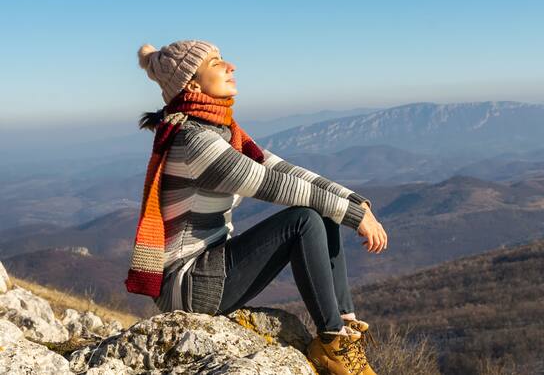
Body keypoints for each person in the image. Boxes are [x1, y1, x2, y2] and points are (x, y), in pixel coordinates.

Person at [125, 39, 387, 375]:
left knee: (323, 209)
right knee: (304, 220)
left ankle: (344, 331)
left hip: (208, 268)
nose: (230, 66)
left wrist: (354, 204)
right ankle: (331, 342)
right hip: (188, 285)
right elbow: (274, 184)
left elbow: (283, 169)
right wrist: (353, 215)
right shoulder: (195, 142)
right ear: (191, 83)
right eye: (216, 62)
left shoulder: (222, 131)